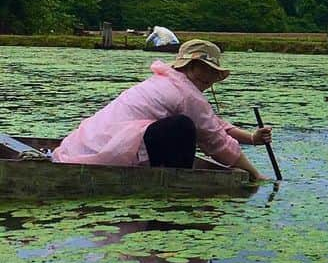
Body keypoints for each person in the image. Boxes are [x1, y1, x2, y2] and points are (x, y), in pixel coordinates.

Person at [53, 39, 270, 179]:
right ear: (193, 68)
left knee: (186, 124)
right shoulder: (185, 94)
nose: (212, 79)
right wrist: (255, 176)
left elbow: (212, 123)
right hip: (109, 153)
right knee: (183, 128)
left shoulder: (168, 81)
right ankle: (176, 182)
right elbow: (216, 142)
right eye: (209, 71)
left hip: (94, 144)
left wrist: (251, 138)